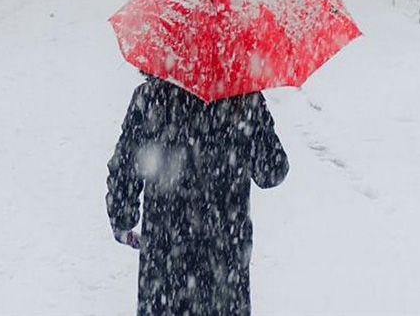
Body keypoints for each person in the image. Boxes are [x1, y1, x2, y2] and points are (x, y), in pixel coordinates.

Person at [106, 75, 289, 315]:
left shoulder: (151, 97)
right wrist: (254, 112)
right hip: (225, 256)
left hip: (165, 255)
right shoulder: (243, 101)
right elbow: (272, 172)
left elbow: (124, 168)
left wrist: (123, 219)